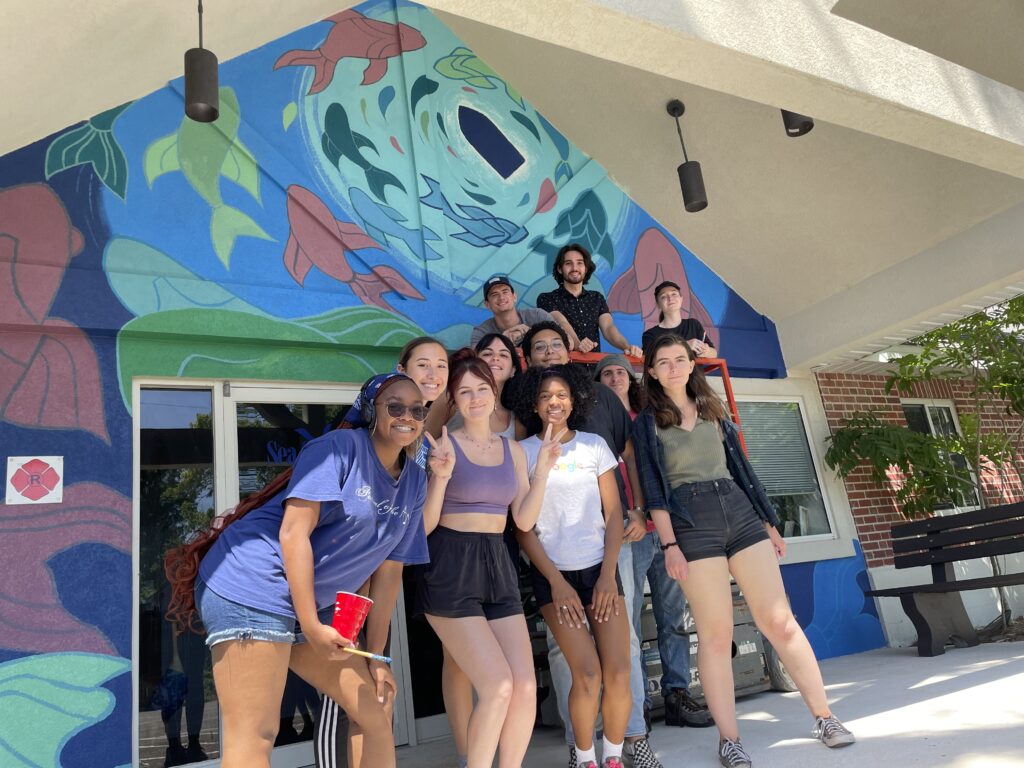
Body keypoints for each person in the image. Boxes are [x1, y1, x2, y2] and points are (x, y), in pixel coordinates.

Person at [164, 373, 431, 768]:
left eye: (417, 409)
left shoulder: (415, 482)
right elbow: (293, 534)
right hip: (252, 584)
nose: (407, 415)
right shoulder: (339, 448)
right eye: (394, 406)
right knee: (255, 735)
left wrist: (376, 657)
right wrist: (310, 626)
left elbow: (387, 574)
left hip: (306, 604)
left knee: (374, 714)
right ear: (371, 411)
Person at [633, 335, 855, 767]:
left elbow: (742, 469)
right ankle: (730, 740)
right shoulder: (647, 423)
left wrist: (769, 522)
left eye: (681, 359)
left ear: (690, 365)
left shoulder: (714, 409)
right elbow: (653, 489)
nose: (675, 367)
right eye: (665, 362)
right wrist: (670, 544)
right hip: (691, 522)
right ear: (653, 372)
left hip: (738, 509)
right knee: (716, 635)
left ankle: (825, 716)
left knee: (779, 621)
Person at [505, 322, 661, 768]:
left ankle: (614, 755)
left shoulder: (594, 445)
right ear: (534, 404)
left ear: (574, 400)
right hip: (554, 577)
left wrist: (609, 576)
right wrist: (557, 583)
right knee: (587, 673)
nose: (554, 402)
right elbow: (523, 529)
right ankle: (584, 756)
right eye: (545, 397)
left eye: (562, 396)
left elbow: (614, 514)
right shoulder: (524, 451)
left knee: (618, 669)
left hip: (600, 570)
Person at [416, 349, 562, 768]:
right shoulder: (442, 445)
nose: (475, 397)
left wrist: (543, 472)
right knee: (497, 685)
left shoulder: (512, 450)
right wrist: (440, 478)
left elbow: (523, 518)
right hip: (449, 564)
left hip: (497, 563)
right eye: (465, 391)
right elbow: (424, 527)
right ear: (453, 399)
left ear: (494, 392)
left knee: (524, 686)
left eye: (482, 388)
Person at [314, 336, 450, 768]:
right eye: (423, 365)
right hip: (340, 587)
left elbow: (410, 534)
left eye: (441, 366)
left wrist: (441, 478)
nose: (433, 375)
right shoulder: (360, 437)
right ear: (400, 370)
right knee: (344, 699)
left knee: (373, 695)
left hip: (373, 586)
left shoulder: (424, 445)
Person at [593, 355, 712, 732]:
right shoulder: (599, 422)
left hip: (667, 527)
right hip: (629, 530)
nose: (614, 378)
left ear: (632, 380)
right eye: (606, 373)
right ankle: (637, 703)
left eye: (620, 372)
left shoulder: (651, 416)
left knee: (672, 615)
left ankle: (677, 693)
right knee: (627, 624)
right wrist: (634, 512)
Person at [537, 243, 641, 357]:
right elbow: (561, 323)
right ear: (560, 269)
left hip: (594, 369)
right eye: (568, 263)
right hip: (565, 367)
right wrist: (578, 344)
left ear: (586, 268)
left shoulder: (597, 298)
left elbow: (608, 328)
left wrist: (626, 347)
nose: (575, 268)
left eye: (579, 263)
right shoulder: (547, 298)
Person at [470, 274, 577, 349]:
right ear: (487, 304)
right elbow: (475, 358)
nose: (501, 297)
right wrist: (503, 339)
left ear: (514, 297)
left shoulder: (537, 315)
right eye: (494, 294)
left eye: (505, 291)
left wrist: (531, 333)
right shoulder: (482, 331)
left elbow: (569, 343)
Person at [640, 281, 717, 358]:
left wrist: (706, 351)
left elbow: (714, 353)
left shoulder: (693, 324)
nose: (670, 298)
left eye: (674, 294)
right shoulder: (650, 334)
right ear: (658, 304)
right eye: (663, 296)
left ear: (681, 299)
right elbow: (649, 358)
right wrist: (684, 346)